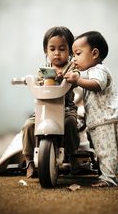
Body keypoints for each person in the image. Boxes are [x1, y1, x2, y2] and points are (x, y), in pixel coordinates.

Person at [64, 31, 118, 187]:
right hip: (100, 121)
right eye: (73, 55)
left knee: (107, 151)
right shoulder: (91, 72)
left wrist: (78, 79)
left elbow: (97, 85)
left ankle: (109, 178)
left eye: (77, 53)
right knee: (101, 149)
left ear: (94, 53)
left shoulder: (99, 70)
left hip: (107, 120)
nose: (74, 58)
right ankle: (104, 173)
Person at [22, 26, 80, 178]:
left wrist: (68, 77)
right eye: (52, 49)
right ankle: (29, 161)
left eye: (62, 48)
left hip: (66, 108)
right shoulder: (43, 69)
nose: (57, 53)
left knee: (70, 124)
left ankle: (72, 155)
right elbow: (38, 82)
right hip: (44, 110)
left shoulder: (72, 67)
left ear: (70, 51)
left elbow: (76, 78)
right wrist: (35, 81)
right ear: (46, 51)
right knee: (29, 125)